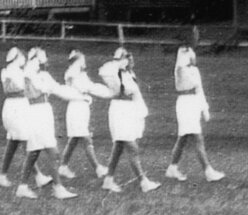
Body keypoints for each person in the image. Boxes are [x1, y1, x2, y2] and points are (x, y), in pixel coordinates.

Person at [16, 47, 83, 200]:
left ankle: (23, 186)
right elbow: (40, 84)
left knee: (34, 152)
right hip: (35, 112)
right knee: (51, 151)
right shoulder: (29, 74)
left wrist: (80, 97)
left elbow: (58, 89)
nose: (46, 62)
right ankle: (58, 188)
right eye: (42, 59)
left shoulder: (42, 75)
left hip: (43, 111)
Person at [98, 47, 161, 194]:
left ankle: (108, 180)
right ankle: (144, 182)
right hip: (119, 110)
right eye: (127, 58)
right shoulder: (113, 73)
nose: (130, 60)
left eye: (130, 58)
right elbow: (103, 70)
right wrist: (118, 61)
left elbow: (135, 93)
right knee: (132, 147)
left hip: (129, 110)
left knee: (119, 147)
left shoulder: (129, 74)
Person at [164, 46, 225, 183]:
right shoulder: (179, 69)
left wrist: (205, 109)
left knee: (183, 139)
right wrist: (183, 53)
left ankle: (172, 168)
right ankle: (208, 171)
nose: (194, 57)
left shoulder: (195, 70)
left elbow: (200, 90)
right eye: (191, 55)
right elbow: (180, 66)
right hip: (184, 103)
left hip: (194, 103)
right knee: (197, 138)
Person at [59, 49, 112, 180]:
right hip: (76, 107)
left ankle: (63, 167)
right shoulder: (73, 73)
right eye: (82, 60)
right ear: (76, 61)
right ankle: (98, 168)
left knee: (74, 139)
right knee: (85, 138)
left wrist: (106, 92)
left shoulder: (79, 74)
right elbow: (86, 87)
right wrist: (107, 92)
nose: (84, 63)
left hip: (81, 107)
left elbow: (89, 86)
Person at [0, 47, 30, 189]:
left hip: (14, 105)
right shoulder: (15, 71)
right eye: (22, 57)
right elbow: (22, 86)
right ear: (17, 58)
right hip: (17, 106)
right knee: (25, 140)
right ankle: (38, 175)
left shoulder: (9, 70)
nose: (24, 60)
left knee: (14, 141)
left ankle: (2, 175)